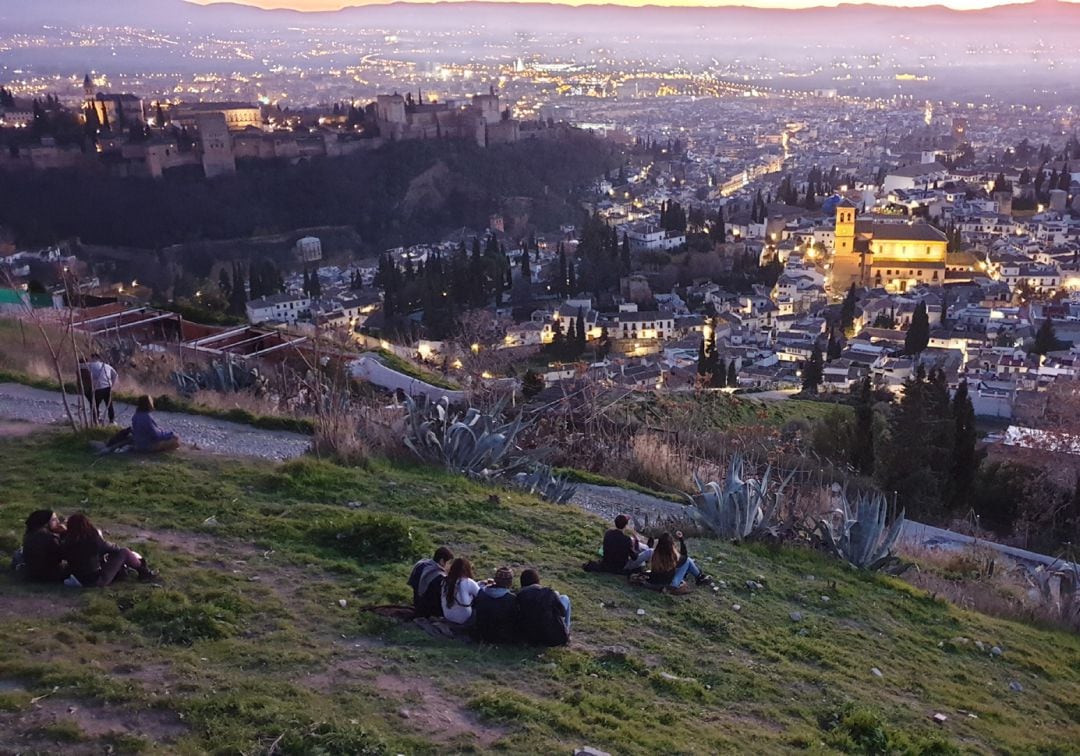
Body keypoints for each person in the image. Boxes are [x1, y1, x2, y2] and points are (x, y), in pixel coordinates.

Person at [62, 513, 156, 587]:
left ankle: (127, 571)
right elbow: (113, 548)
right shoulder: (93, 540)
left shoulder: (67, 542)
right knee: (124, 552)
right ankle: (144, 571)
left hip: (77, 577)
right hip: (96, 580)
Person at [515, 568, 570, 647]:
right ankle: (567, 633)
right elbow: (563, 613)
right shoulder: (548, 592)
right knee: (564, 598)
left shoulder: (519, 597)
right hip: (554, 639)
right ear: (537, 581)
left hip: (530, 639)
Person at [648, 531, 712, 595]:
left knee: (686, 561)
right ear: (671, 544)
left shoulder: (655, 553)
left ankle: (699, 577)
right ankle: (699, 577)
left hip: (655, 580)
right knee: (687, 561)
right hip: (671, 584)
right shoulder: (672, 556)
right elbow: (685, 556)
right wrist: (681, 539)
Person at [472, 566, 519, 644]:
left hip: (481, 635)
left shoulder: (481, 594)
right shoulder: (511, 599)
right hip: (502, 638)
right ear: (510, 582)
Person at [21, 510, 70, 583]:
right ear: (45, 523)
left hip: (31, 573)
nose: (58, 522)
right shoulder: (50, 538)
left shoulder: (29, 535)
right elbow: (64, 555)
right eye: (54, 520)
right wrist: (64, 534)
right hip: (49, 575)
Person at [407, 546, 454, 618]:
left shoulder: (421, 564)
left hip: (417, 602)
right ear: (442, 561)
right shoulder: (439, 577)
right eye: (449, 563)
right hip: (428, 610)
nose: (450, 566)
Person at [440, 557, 482, 627]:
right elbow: (481, 595)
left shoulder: (445, 581)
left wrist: (479, 583)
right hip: (464, 619)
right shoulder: (468, 582)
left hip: (448, 616)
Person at [87, 353, 118, 424]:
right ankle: (112, 420)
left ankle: (95, 420)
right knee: (109, 404)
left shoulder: (89, 365)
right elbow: (115, 375)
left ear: (93, 358)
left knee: (95, 405)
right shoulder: (107, 366)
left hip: (96, 388)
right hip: (107, 387)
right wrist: (112, 385)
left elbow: (80, 367)